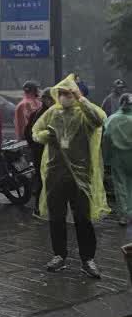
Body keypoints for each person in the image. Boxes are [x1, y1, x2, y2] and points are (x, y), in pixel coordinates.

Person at [32, 74, 108, 277]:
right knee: (56, 217)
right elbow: (35, 131)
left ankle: (88, 259)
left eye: (68, 93)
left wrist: (81, 99)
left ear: (75, 93)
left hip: (81, 177)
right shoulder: (52, 114)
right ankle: (59, 256)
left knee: (82, 218)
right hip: (55, 173)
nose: (64, 96)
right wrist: (44, 136)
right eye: (62, 93)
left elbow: (99, 119)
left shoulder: (84, 114)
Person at [25, 88, 56, 216]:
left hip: (40, 151)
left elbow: (27, 132)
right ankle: (41, 207)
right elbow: (30, 133)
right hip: (43, 151)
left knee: (43, 179)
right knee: (44, 179)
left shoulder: (39, 113)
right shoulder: (47, 114)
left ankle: (41, 207)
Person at [104, 93, 132, 226]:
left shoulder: (112, 119)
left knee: (121, 186)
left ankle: (124, 215)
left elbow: (106, 138)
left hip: (118, 157)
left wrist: (106, 159)